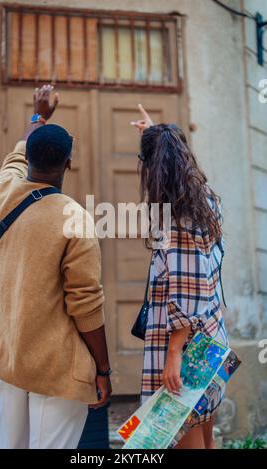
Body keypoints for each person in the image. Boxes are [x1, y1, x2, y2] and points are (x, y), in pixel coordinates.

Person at [0, 85, 112, 449]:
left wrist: (39, 116)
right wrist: (103, 369)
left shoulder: (1, 191)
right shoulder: (74, 218)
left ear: (27, 160)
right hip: (54, 367)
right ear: (68, 163)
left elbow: (16, 156)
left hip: (6, 355)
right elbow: (85, 304)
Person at [131, 105, 228, 449]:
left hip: (187, 351)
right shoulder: (204, 199)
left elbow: (188, 290)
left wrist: (173, 355)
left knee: (184, 441)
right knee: (205, 435)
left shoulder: (178, 216)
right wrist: (157, 134)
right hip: (209, 342)